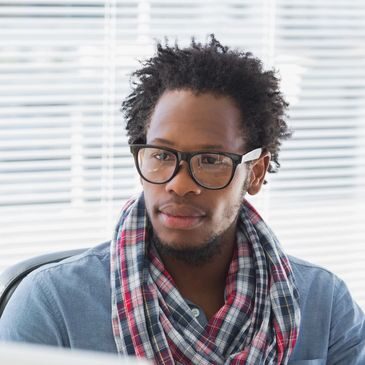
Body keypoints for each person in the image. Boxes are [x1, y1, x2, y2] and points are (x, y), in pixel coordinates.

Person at [0, 35, 364, 365]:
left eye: (210, 160)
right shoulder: (51, 304)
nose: (179, 184)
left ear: (254, 173)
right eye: (161, 155)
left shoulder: (326, 304)